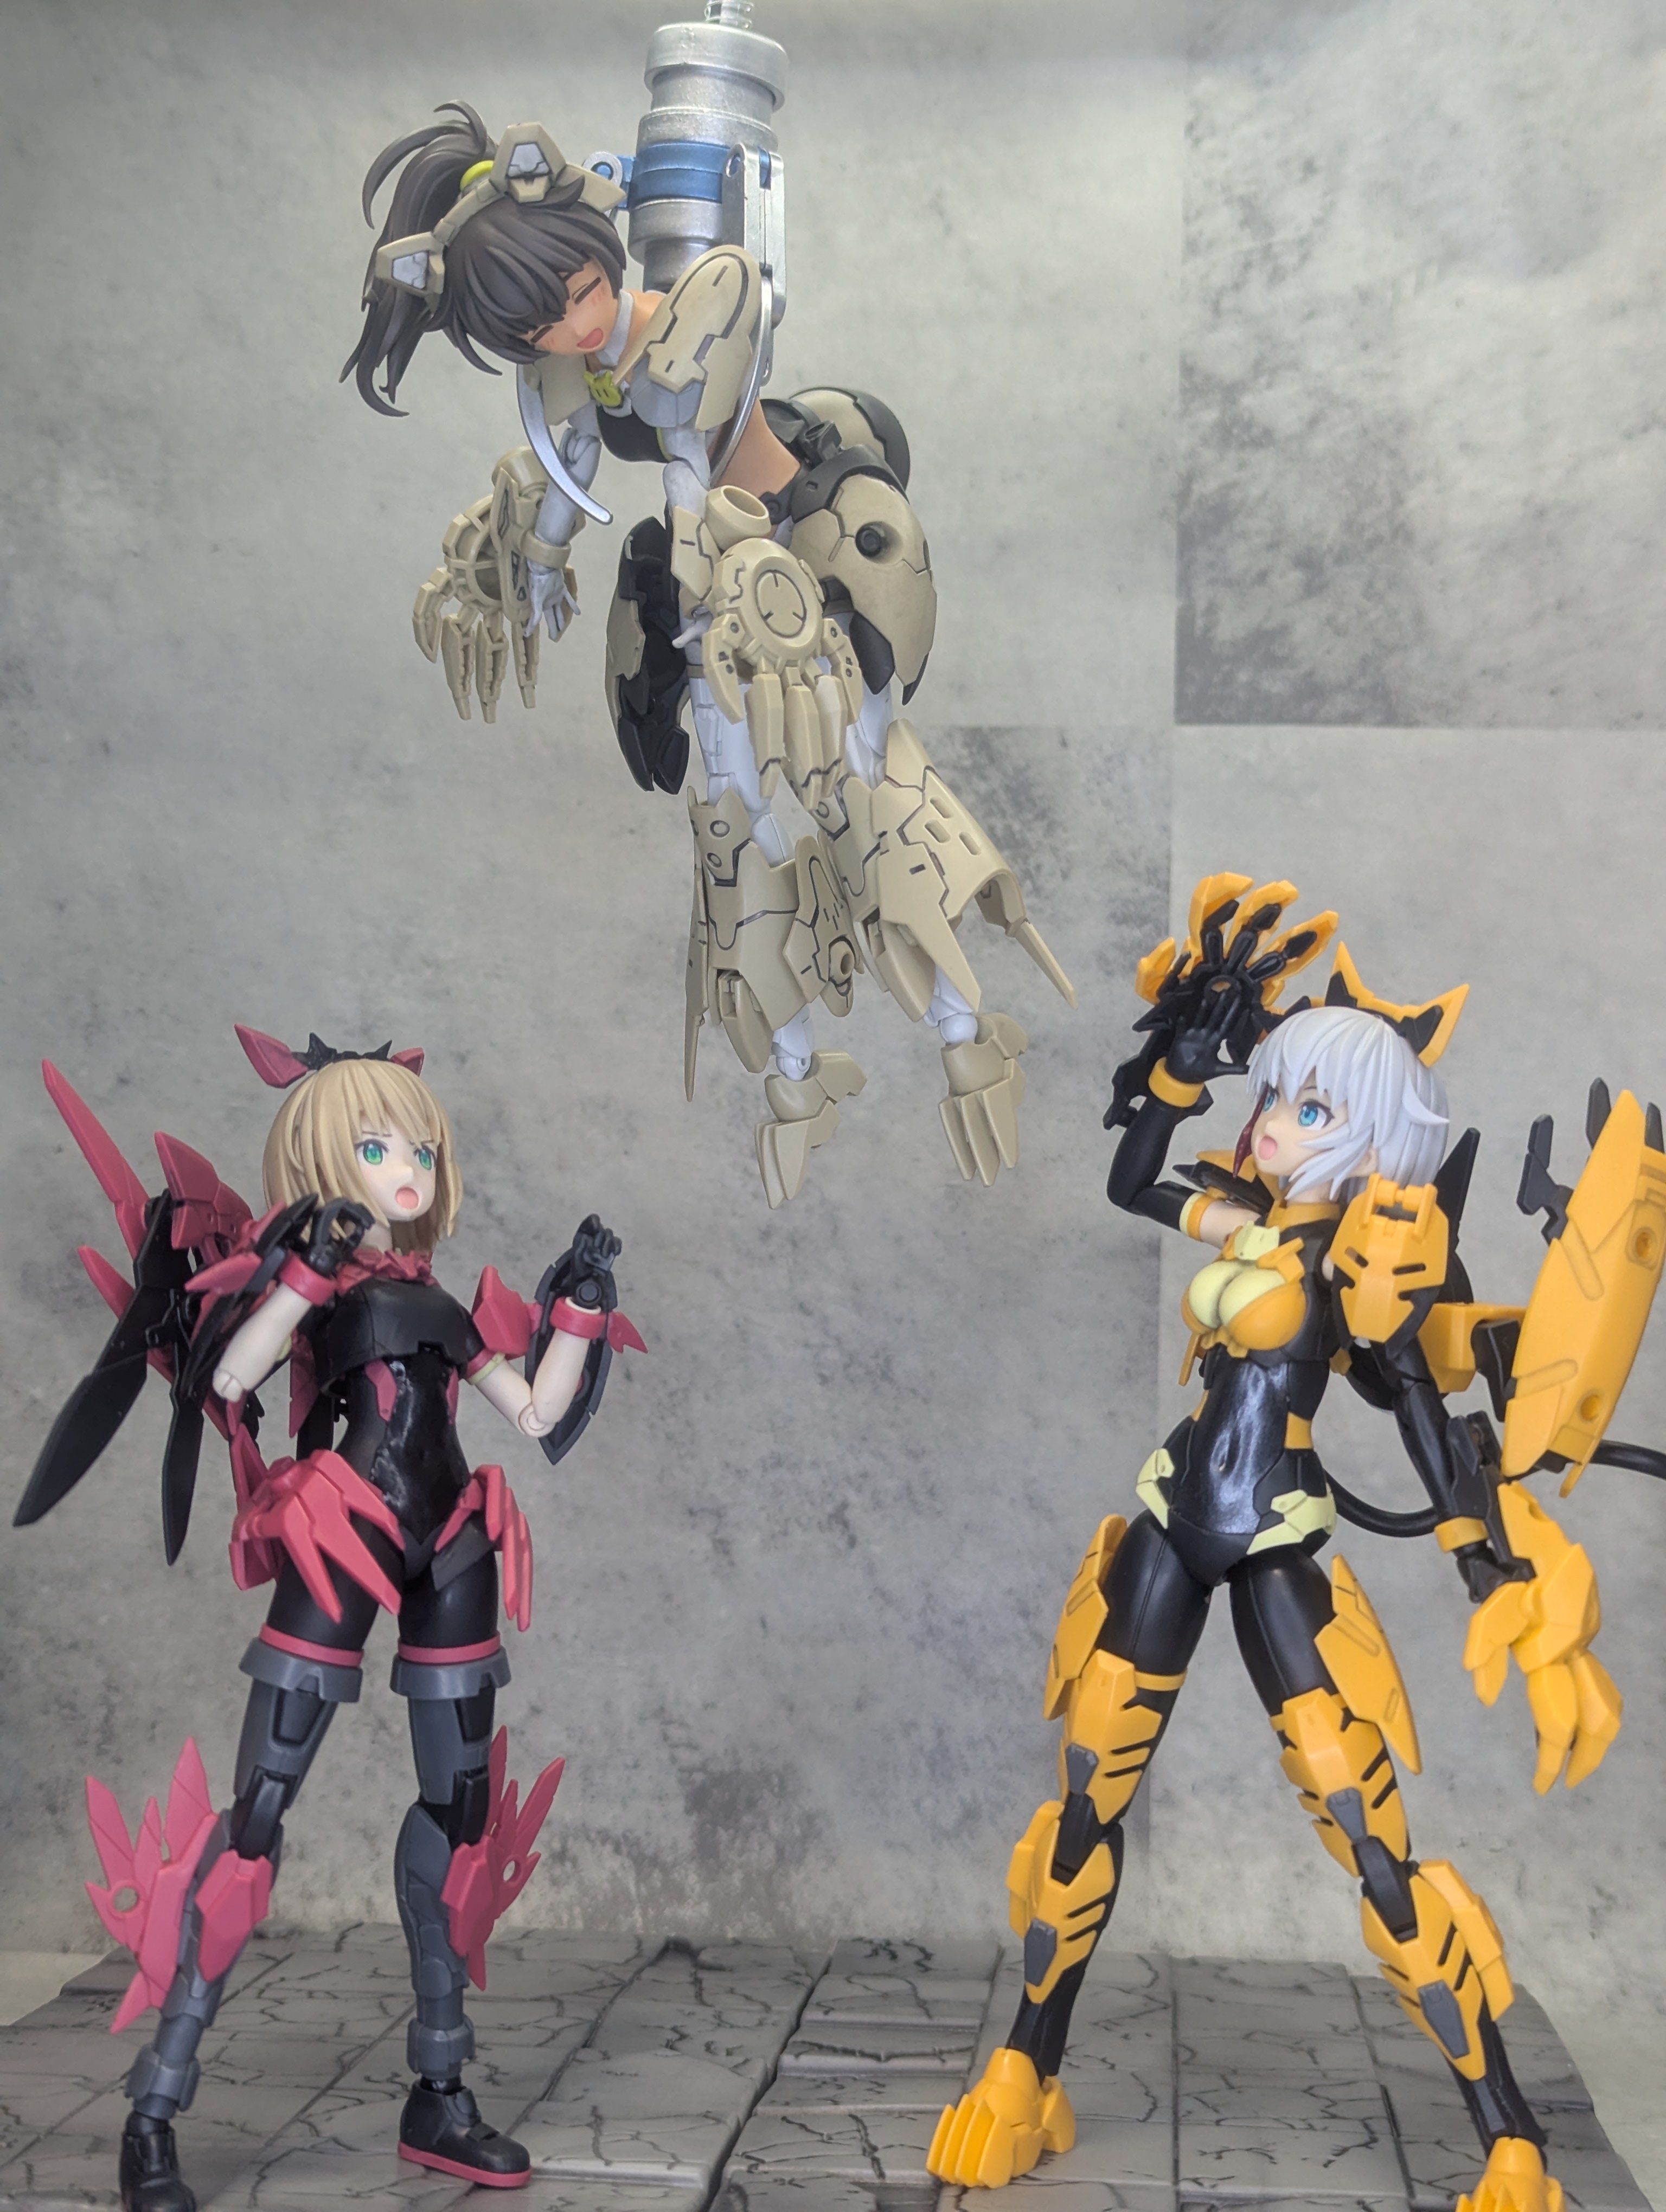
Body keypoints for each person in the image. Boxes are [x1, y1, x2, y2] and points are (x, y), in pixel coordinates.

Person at [930, 876, 1629, 2212]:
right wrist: (1179, 1074)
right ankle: (1025, 2070)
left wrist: (1491, 1568)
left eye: (1312, 1110)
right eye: (1278, 1098)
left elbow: (1426, 1425)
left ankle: (1509, 2136)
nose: (1273, 1126)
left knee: (1361, 1818)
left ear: (1374, 1139)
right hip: (1170, 1518)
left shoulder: (1374, 1267)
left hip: (1272, 1540)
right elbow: (1133, 1180)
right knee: (1085, 1797)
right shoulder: (1245, 1219)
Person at [344, 105, 1073, 1205]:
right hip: (713, 592)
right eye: (543, 322)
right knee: (732, 831)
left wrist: (689, 557)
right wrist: (536, 566)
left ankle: (968, 1036)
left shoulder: (709, 298)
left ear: (604, 242)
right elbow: (566, 479)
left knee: (869, 798)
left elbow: (692, 436)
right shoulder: (564, 376)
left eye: (582, 289)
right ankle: (794, 1075)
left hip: (802, 552)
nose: (580, 323)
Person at [17, 1027, 643, 2210]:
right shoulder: (309, 1288)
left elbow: (535, 1415)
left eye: (420, 1149)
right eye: (377, 1147)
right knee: (257, 1816)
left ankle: (441, 2093)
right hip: (338, 1530)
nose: (406, 1169)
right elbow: (227, 1380)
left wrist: (577, 1311)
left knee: (460, 1819)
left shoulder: (443, 1303)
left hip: (450, 1541)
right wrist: (302, 1274)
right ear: (319, 1159)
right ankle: (155, 2109)